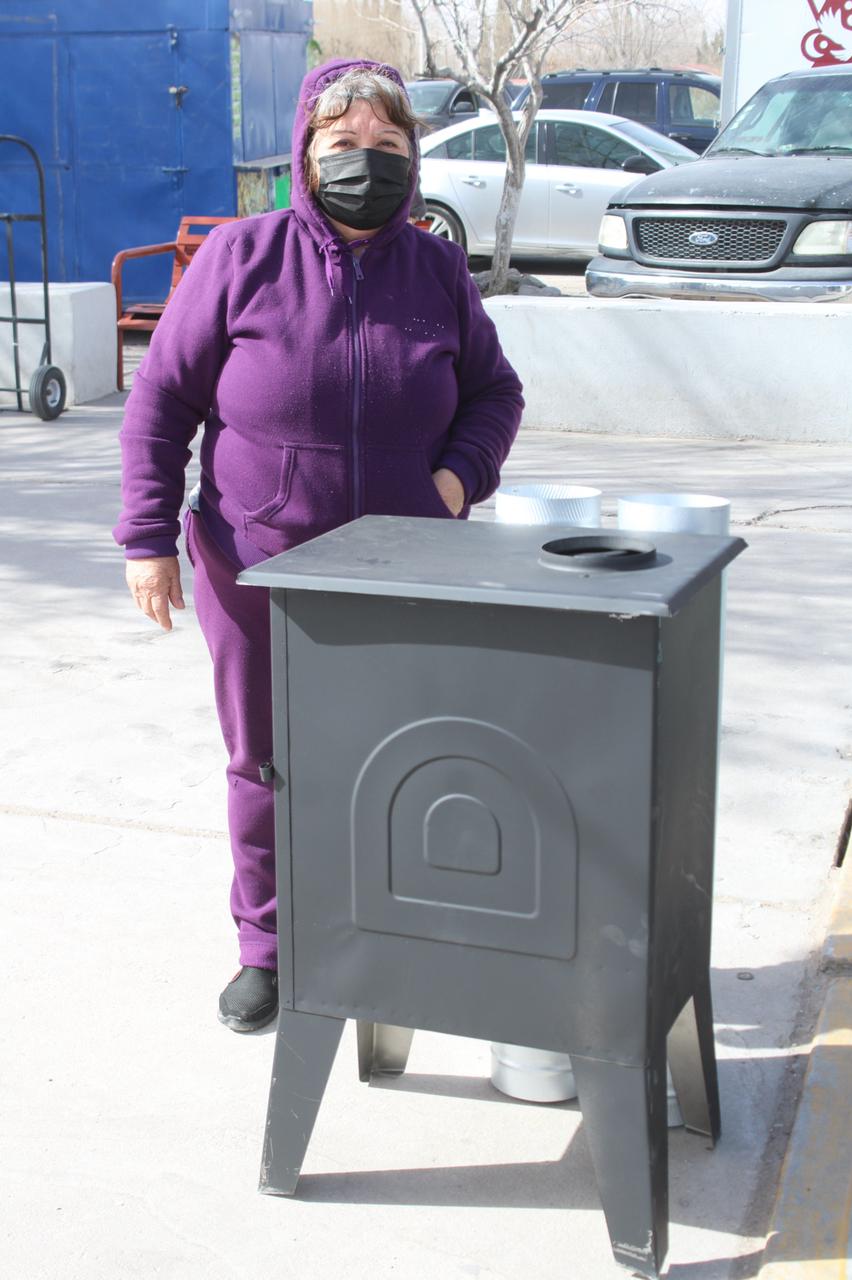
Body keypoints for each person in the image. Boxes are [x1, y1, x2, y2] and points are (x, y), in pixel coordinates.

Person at [113, 58, 524, 1032]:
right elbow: (161, 402)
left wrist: (454, 481)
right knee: (265, 761)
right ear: (305, 154)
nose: (364, 161)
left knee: (405, 759)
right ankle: (268, 946)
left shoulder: (436, 271)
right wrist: (146, 536)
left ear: (413, 159)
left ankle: (393, 934)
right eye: (343, 143)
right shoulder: (241, 256)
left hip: (408, 571)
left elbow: (493, 394)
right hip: (255, 566)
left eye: (387, 143)